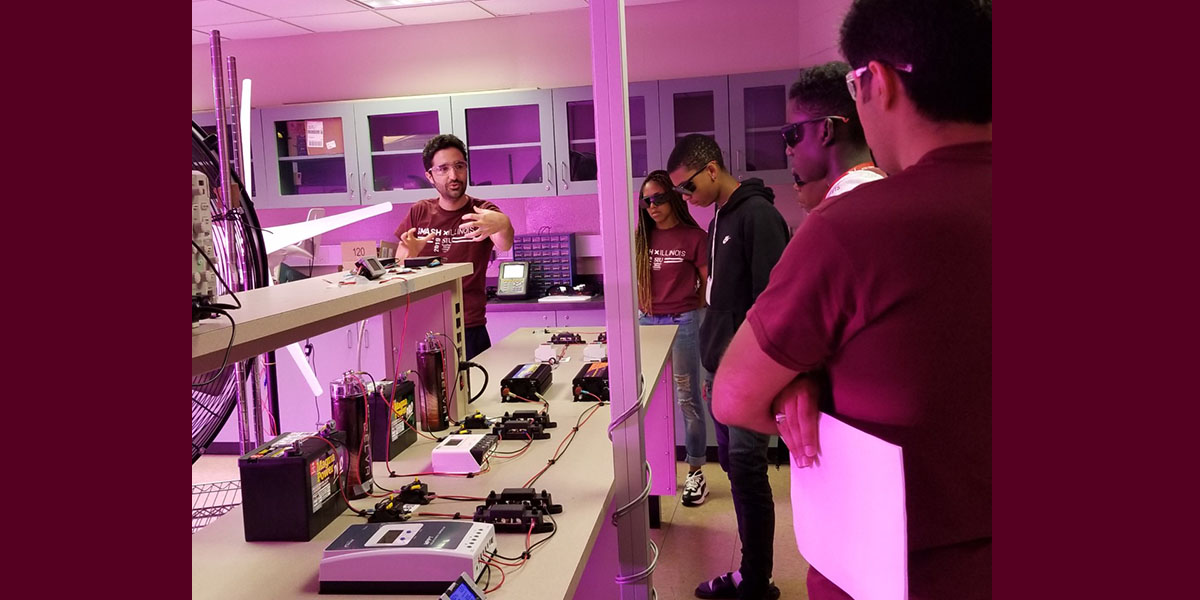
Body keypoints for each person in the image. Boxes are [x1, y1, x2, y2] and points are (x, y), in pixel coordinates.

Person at [711, 0, 992, 598]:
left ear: (878, 83)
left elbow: (734, 395)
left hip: (900, 572)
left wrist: (799, 386)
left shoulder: (857, 227)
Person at [667, 134, 790, 600]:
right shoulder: (721, 215)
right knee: (739, 475)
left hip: (747, 378)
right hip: (723, 373)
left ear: (713, 169)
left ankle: (757, 581)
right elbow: (721, 302)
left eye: (686, 186)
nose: (684, 197)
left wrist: (749, 381)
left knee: (747, 471)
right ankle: (749, 575)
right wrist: (713, 372)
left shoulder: (758, 216)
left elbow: (769, 307)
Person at [394, 134, 514, 360]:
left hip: (469, 326)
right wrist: (409, 255)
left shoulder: (483, 210)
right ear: (430, 176)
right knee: (428, 395)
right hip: (425, 328)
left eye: (459, 166)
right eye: (443, 168)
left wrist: (503, 223)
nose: (453, 175)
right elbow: (399, 263)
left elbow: (504, 241)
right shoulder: (419, 211)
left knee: (474, 392)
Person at [634, 170, 711, 506]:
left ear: (675, 198)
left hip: (682, 322)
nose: (653, 206)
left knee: (686, 398)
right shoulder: (643, 236)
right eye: (647, 200)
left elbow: (709, 285)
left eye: (660, 198)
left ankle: (695, 472)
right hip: (647, 320)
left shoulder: (693, 237)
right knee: (645, 399)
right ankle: (652, 472)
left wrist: (694, 306)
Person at [784, 61, 886, 212]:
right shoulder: (883, 189)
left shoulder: (836, 214)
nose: (788, 150)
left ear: (825, 131)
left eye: (791, 133)